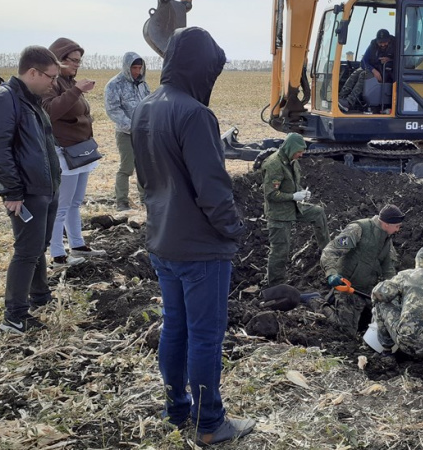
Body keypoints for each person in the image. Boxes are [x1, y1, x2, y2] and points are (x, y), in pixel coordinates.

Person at [130, 26, 255, 446]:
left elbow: (146, 181)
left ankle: (177, 410)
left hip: (163, 241)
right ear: (201, 68)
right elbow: (213, 191)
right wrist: (236, 231)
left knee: (174, 328)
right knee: (204, 336)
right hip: (201, 250)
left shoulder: (146, 107)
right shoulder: (195, 115)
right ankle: (209, 424)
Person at [0, 46, 62, 334]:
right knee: (26, 251)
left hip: (45, 187)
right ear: (33, 72)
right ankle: (15, 316)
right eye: (50, 77)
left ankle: (41, 297)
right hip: (26, 191)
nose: (53, 83)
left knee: (37, 247)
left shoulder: (31, 100)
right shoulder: (4, 100)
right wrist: (13, 192)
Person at [43, 38, 106, 266]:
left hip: (80, 151)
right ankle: (58, 255)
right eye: (73, 60)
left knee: (75, 201)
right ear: (59, 58)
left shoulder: (69, 82)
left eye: (79, 61)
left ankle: (77, 244)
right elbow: (50, 111)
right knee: (62, 204)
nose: (77, 65)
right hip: (64, 152)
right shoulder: (52, 83)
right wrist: (77, 90)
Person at [316, 204, 403, 336]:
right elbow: (330, 252)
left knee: (380, 325)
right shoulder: (359, 229)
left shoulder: (387, 241)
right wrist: (331, 273)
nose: (398, 230)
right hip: (347, 287)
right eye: (397, 226)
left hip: (367, 292)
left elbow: (389, 271)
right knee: (346, 331)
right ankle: (317, 303)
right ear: (386, 224)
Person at [260, 132, 329, 287]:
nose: (301, 154)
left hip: (293, 207)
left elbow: (291, 183)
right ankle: (275, 285)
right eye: (299, 151)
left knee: (318, 212)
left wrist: (302, 193)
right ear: (291, 148)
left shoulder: (292, 161)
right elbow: (271, 194)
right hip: (279, 214)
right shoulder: (274, 165)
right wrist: (293, 196)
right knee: (280, 250)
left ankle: (327, 252)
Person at [104, 51, 150, 211]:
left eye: (139, 67)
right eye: (134, 67)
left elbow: (149, 104)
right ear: (126, 67)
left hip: (143, 133)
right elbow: (113, 110)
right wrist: (132, 126)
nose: (137, 71)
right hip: (125, 133)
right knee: (127, 167)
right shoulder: (114, 85)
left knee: (144, 166)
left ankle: (146, 199)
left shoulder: (143, 84)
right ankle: (122, 202)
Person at [337, 28, 395, 112]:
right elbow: (364, 61)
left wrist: (390, 60)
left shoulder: (396, 44)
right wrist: (373, 70)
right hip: (376, 70)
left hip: (388, 72)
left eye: (384, 42)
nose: (382, 45)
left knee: (363, 74)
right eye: (380, 43)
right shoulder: (373, 45)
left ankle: (349, 102)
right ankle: (341, 97)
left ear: (389, 40)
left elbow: (402, 60)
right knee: (356, 72)